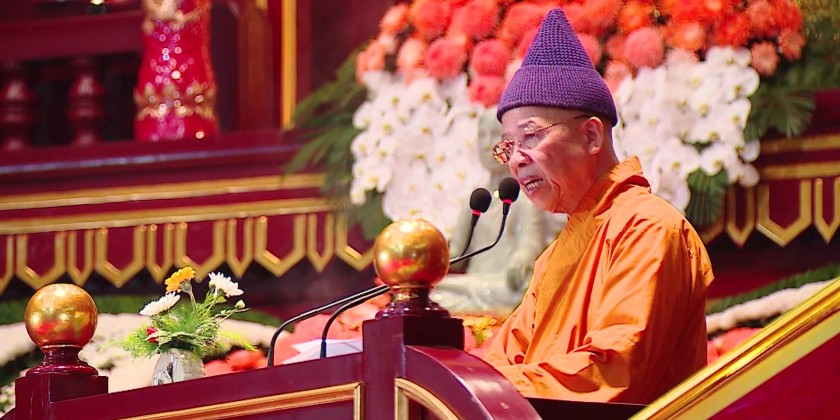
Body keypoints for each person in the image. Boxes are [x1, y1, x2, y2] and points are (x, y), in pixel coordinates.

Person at [480, 9, 714, 405]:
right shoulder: (554, 256)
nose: (516, 160)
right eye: (508, 145)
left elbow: (614, 371)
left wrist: (482, 388)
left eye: (530, 136)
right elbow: (501, 361)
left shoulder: (648, 229)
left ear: (591, 135)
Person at [430, 108, 549, 316]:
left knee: (520, 293)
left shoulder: (525, 199)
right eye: (482, 135)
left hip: (503, 286)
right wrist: (426, 260)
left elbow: (531, 243)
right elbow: (457, 254)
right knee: (433, 294)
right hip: (473, 283)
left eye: (495, 135)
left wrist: (522, 257)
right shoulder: (476, 199)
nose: (487, 144)